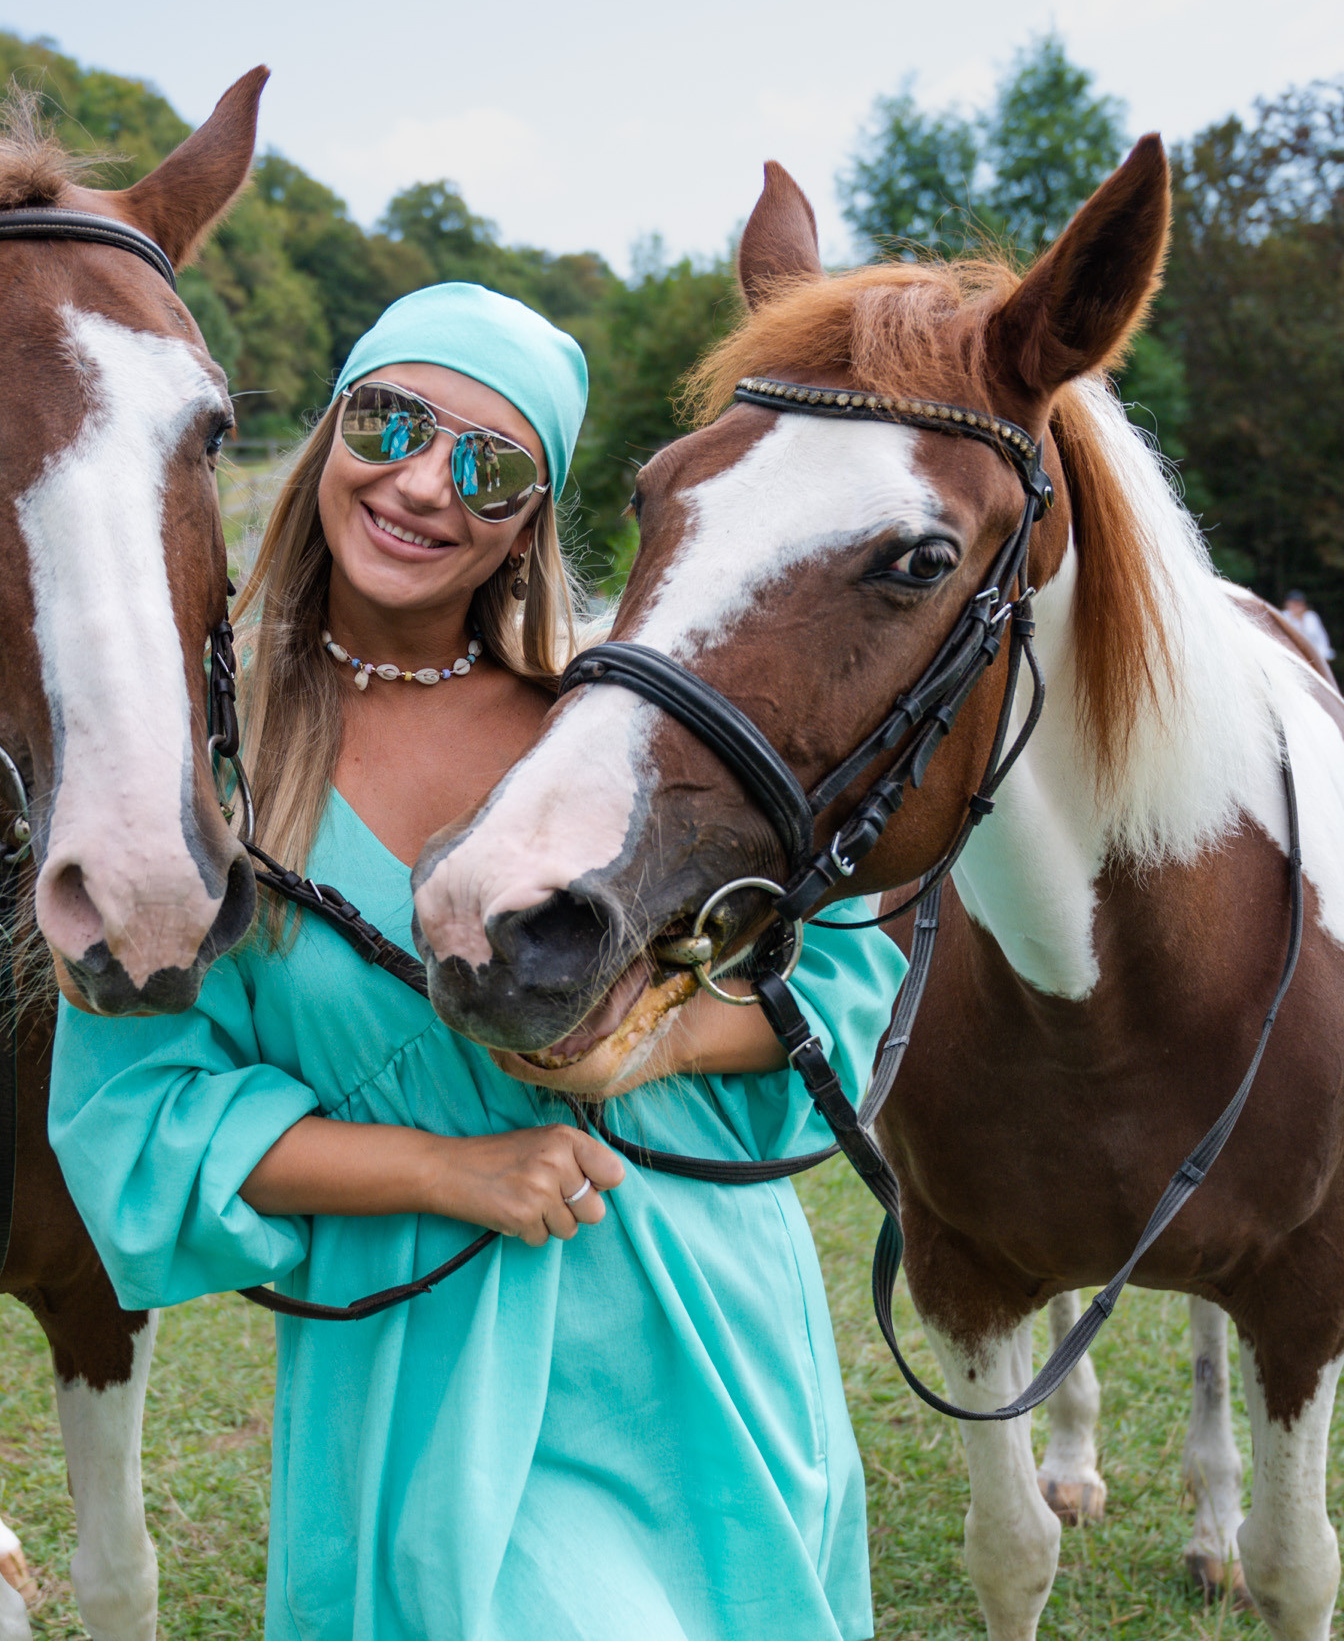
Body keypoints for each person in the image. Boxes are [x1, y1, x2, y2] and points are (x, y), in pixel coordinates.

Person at [49, 282, 905, 1641]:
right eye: (392, 421)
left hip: (699, 1332)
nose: (424, 484)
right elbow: (139, 1109)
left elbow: (848, 976)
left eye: (490, 467)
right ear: (332, 431)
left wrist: (658, 1037)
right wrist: (453, 1170)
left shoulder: (620, 733)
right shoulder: (202, 776)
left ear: (528, 522)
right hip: (419, 1374)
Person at [1279, 589, 1334, 670]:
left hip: (1314, 656)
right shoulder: (1283, 616)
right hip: (1291, 656)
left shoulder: (1311, 617)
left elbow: (1321, 637)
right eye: (1294, 603)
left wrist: (1323, 656)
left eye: (1299, 603)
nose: (1296, 606)